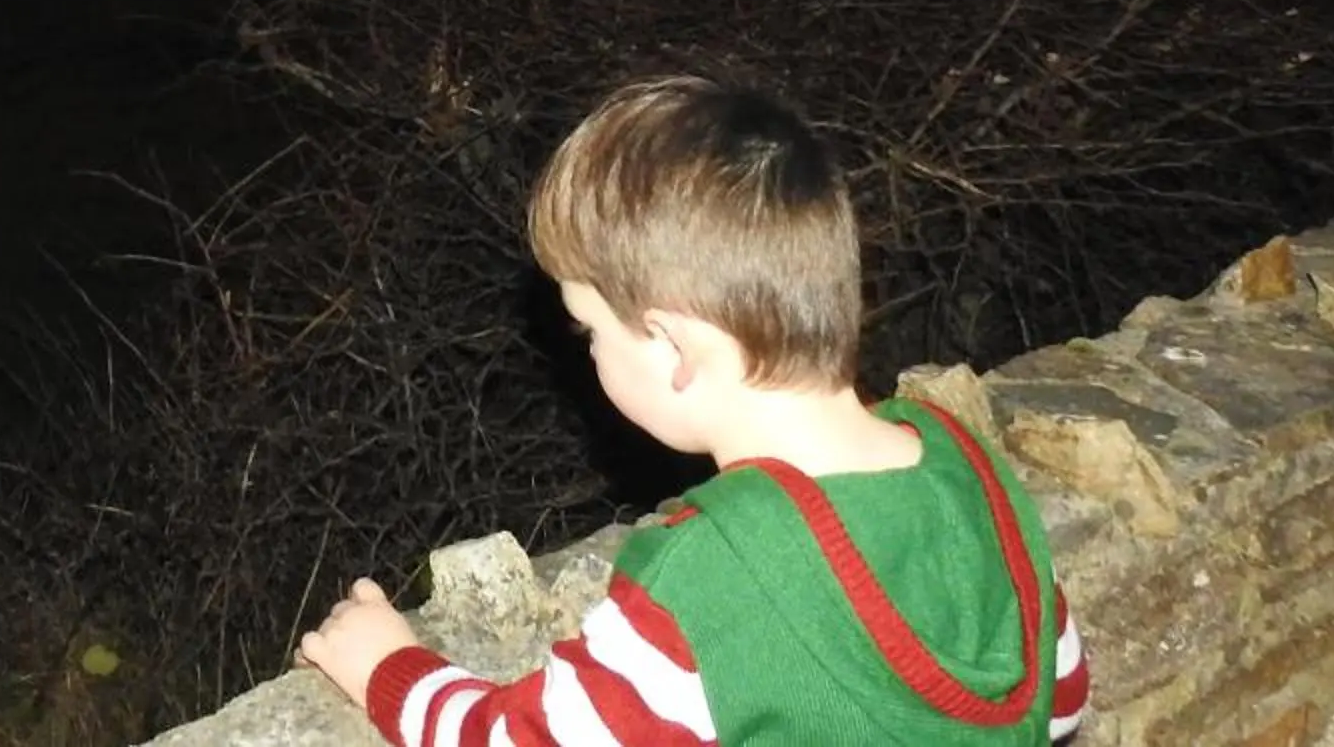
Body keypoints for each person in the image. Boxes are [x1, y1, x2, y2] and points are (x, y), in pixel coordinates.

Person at [298, 76, 1089, 744]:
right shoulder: (970, 472)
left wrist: (387, 668)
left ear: (675, 349)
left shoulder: (712, 572)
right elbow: (1065, 697)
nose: (587, 352)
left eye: (590, 328)